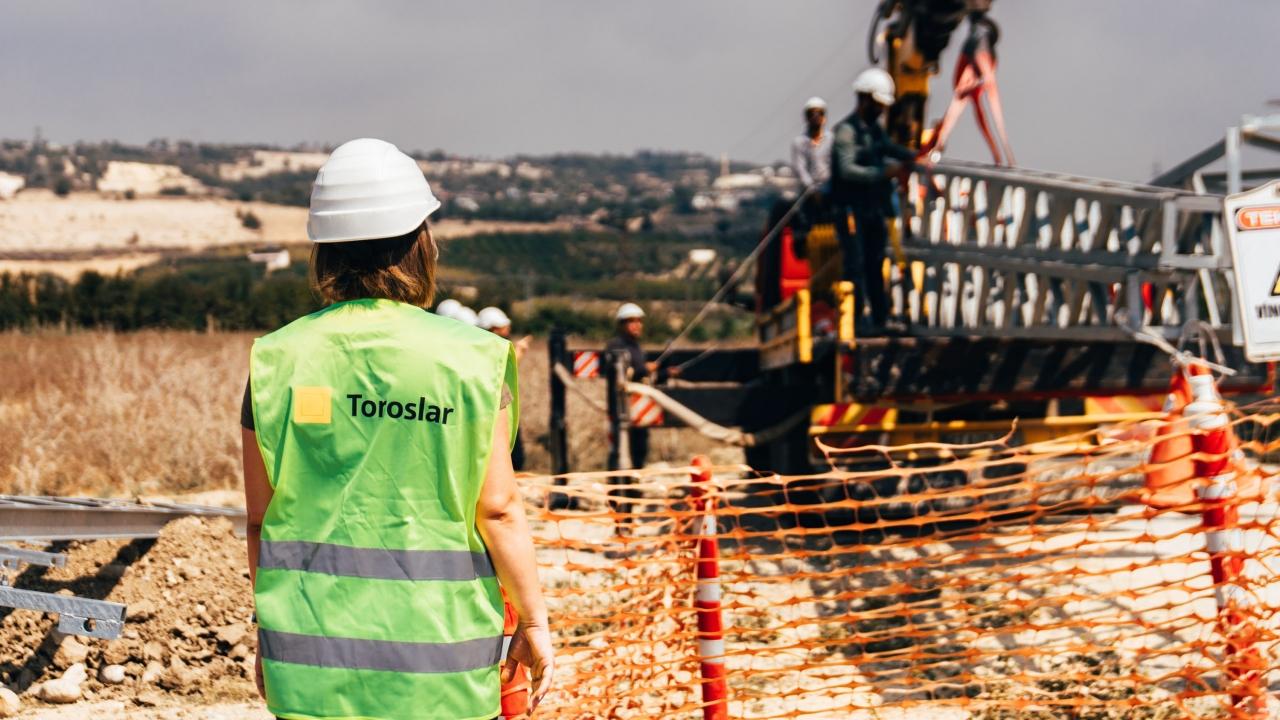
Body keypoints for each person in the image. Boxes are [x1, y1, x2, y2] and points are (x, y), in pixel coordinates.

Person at [240, 138, 553, 720]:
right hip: (445, 671)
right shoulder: (473, 361)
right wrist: (533, 619)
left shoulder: (277, 360)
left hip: (309, 667)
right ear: (421, 244)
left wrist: (270, 633)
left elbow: (262, 520)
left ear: (324, 252)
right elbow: (499, 509)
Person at [829, 68, 917, 333]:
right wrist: (881, 173)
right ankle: (853, 323)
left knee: (875, 262)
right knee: (855, 266)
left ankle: (880, 319)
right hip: (850, 209)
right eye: (878, 105)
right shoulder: (846, 132)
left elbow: (888, 148)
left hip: (872, 209)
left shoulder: (873, 131)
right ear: (865, 100)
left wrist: (913, 156)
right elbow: (846, 169)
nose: (881, 111)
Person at [478, 306, 531, 472]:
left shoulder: (483, 345)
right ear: (494, 328)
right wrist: (519, 351)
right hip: (497, 401)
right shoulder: (492, 347)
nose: (508, 329)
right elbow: (502, 369)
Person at [789, 96, 833, 253]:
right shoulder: (799, 142)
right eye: (811, 114)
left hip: (830, 191)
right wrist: (812, 190)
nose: (815, 118)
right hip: (808, 194)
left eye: (819, 113)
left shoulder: (831, 140)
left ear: (824, 117)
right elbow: (800, 169)